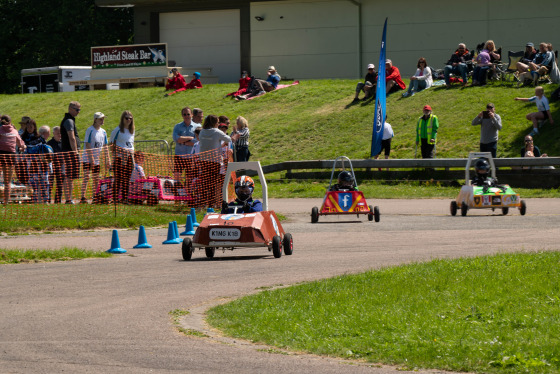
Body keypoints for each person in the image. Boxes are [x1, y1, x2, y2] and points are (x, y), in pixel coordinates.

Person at [199, 114, 231, 208]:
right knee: (213, 183)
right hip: (214, 161)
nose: (218, 124)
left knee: (205, 183)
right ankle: (211, 204)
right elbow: (228, 139)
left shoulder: (202, 132)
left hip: (203, 160)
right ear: (214, 123)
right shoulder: (216, 131)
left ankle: (204, 203)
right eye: (217, 122)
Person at [80, 112, 110, 204]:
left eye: (103, 119)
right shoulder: (90, 130)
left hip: (96, 159)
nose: (102, 121)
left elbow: (105, 146)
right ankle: (83, 197)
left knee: (96, 178)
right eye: (100, 119)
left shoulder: (103, 132)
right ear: (95, 120)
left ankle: (95, 196)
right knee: (86, 177)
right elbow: (87, 144)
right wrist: (91, 158)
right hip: (87, 158)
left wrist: (108, 158)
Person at [110, 110, 135, 204]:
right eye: (127, 118)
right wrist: (122, 150)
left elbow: (131, 144)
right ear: (122, 119)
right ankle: (115, 199)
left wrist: (131, 152)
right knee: (119, 178)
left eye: (130, 118)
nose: (129, 120)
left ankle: (125, 199)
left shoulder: (132, 130)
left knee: (127, 179)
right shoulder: (117, 130)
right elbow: (111, 145)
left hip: (129, 158)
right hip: (119, 158)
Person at [172, 107, 201, 191]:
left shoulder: (197, 126)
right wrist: (190, 138)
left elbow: (197, 140)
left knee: (189, 178)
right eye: (184, 114)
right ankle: (177, 197)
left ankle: (188, 197)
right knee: (177, 178)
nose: (186, 116)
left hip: (191, 157)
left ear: (191, 114)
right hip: (179, 156)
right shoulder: (177, 126)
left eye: (188, 114)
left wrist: (183, 141)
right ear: (182, 115)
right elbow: (176, 138)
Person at [0, 115, 26, 205]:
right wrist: (23, 147)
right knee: (7, 181)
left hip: (1, 155)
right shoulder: (14, 131)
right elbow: (21, 144)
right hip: (11, 156)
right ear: (10, 122)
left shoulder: (0, 130)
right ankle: (6, 202)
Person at [60, 101, 81, 204]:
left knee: (71, 176)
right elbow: (71, 137)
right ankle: (68, 199)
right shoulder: (69, 121)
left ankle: (69, 198)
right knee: (69, 175)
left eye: (79, 110)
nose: (78, 112)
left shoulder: (70, 120)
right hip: (70, 152)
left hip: (69, 152)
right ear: (70, 109)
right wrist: (75, 152)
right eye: (77, 110)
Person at [47, 126, 64, 204]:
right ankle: (48, 200)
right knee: (50, 184)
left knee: (60, 185)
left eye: (60, 133)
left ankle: (58, 201)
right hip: (51, 167)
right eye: (57, 133)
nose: (59, 135)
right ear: (53, 134)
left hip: (61, 166)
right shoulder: (49, 144)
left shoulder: (63, 143)